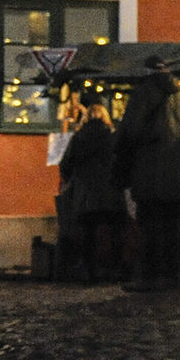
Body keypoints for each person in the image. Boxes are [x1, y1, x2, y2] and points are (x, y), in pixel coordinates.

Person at [112, 57, 180, 292]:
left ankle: (149, 277)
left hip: (148, 172)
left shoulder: (142, 95)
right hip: (178, 174)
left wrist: (122, 168)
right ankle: (172, 276)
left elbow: (128, 134)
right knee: (173, 226)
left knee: (150, 226)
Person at [58, 93, 125, 282]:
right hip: (112, 192)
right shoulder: (113, 138)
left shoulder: (79, 138)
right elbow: (123, 162)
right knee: (116, 232)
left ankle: (90, 271)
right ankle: (115, 269)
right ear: (106, 117)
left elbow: (66, 165)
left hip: (86, 194)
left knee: (88, 234)